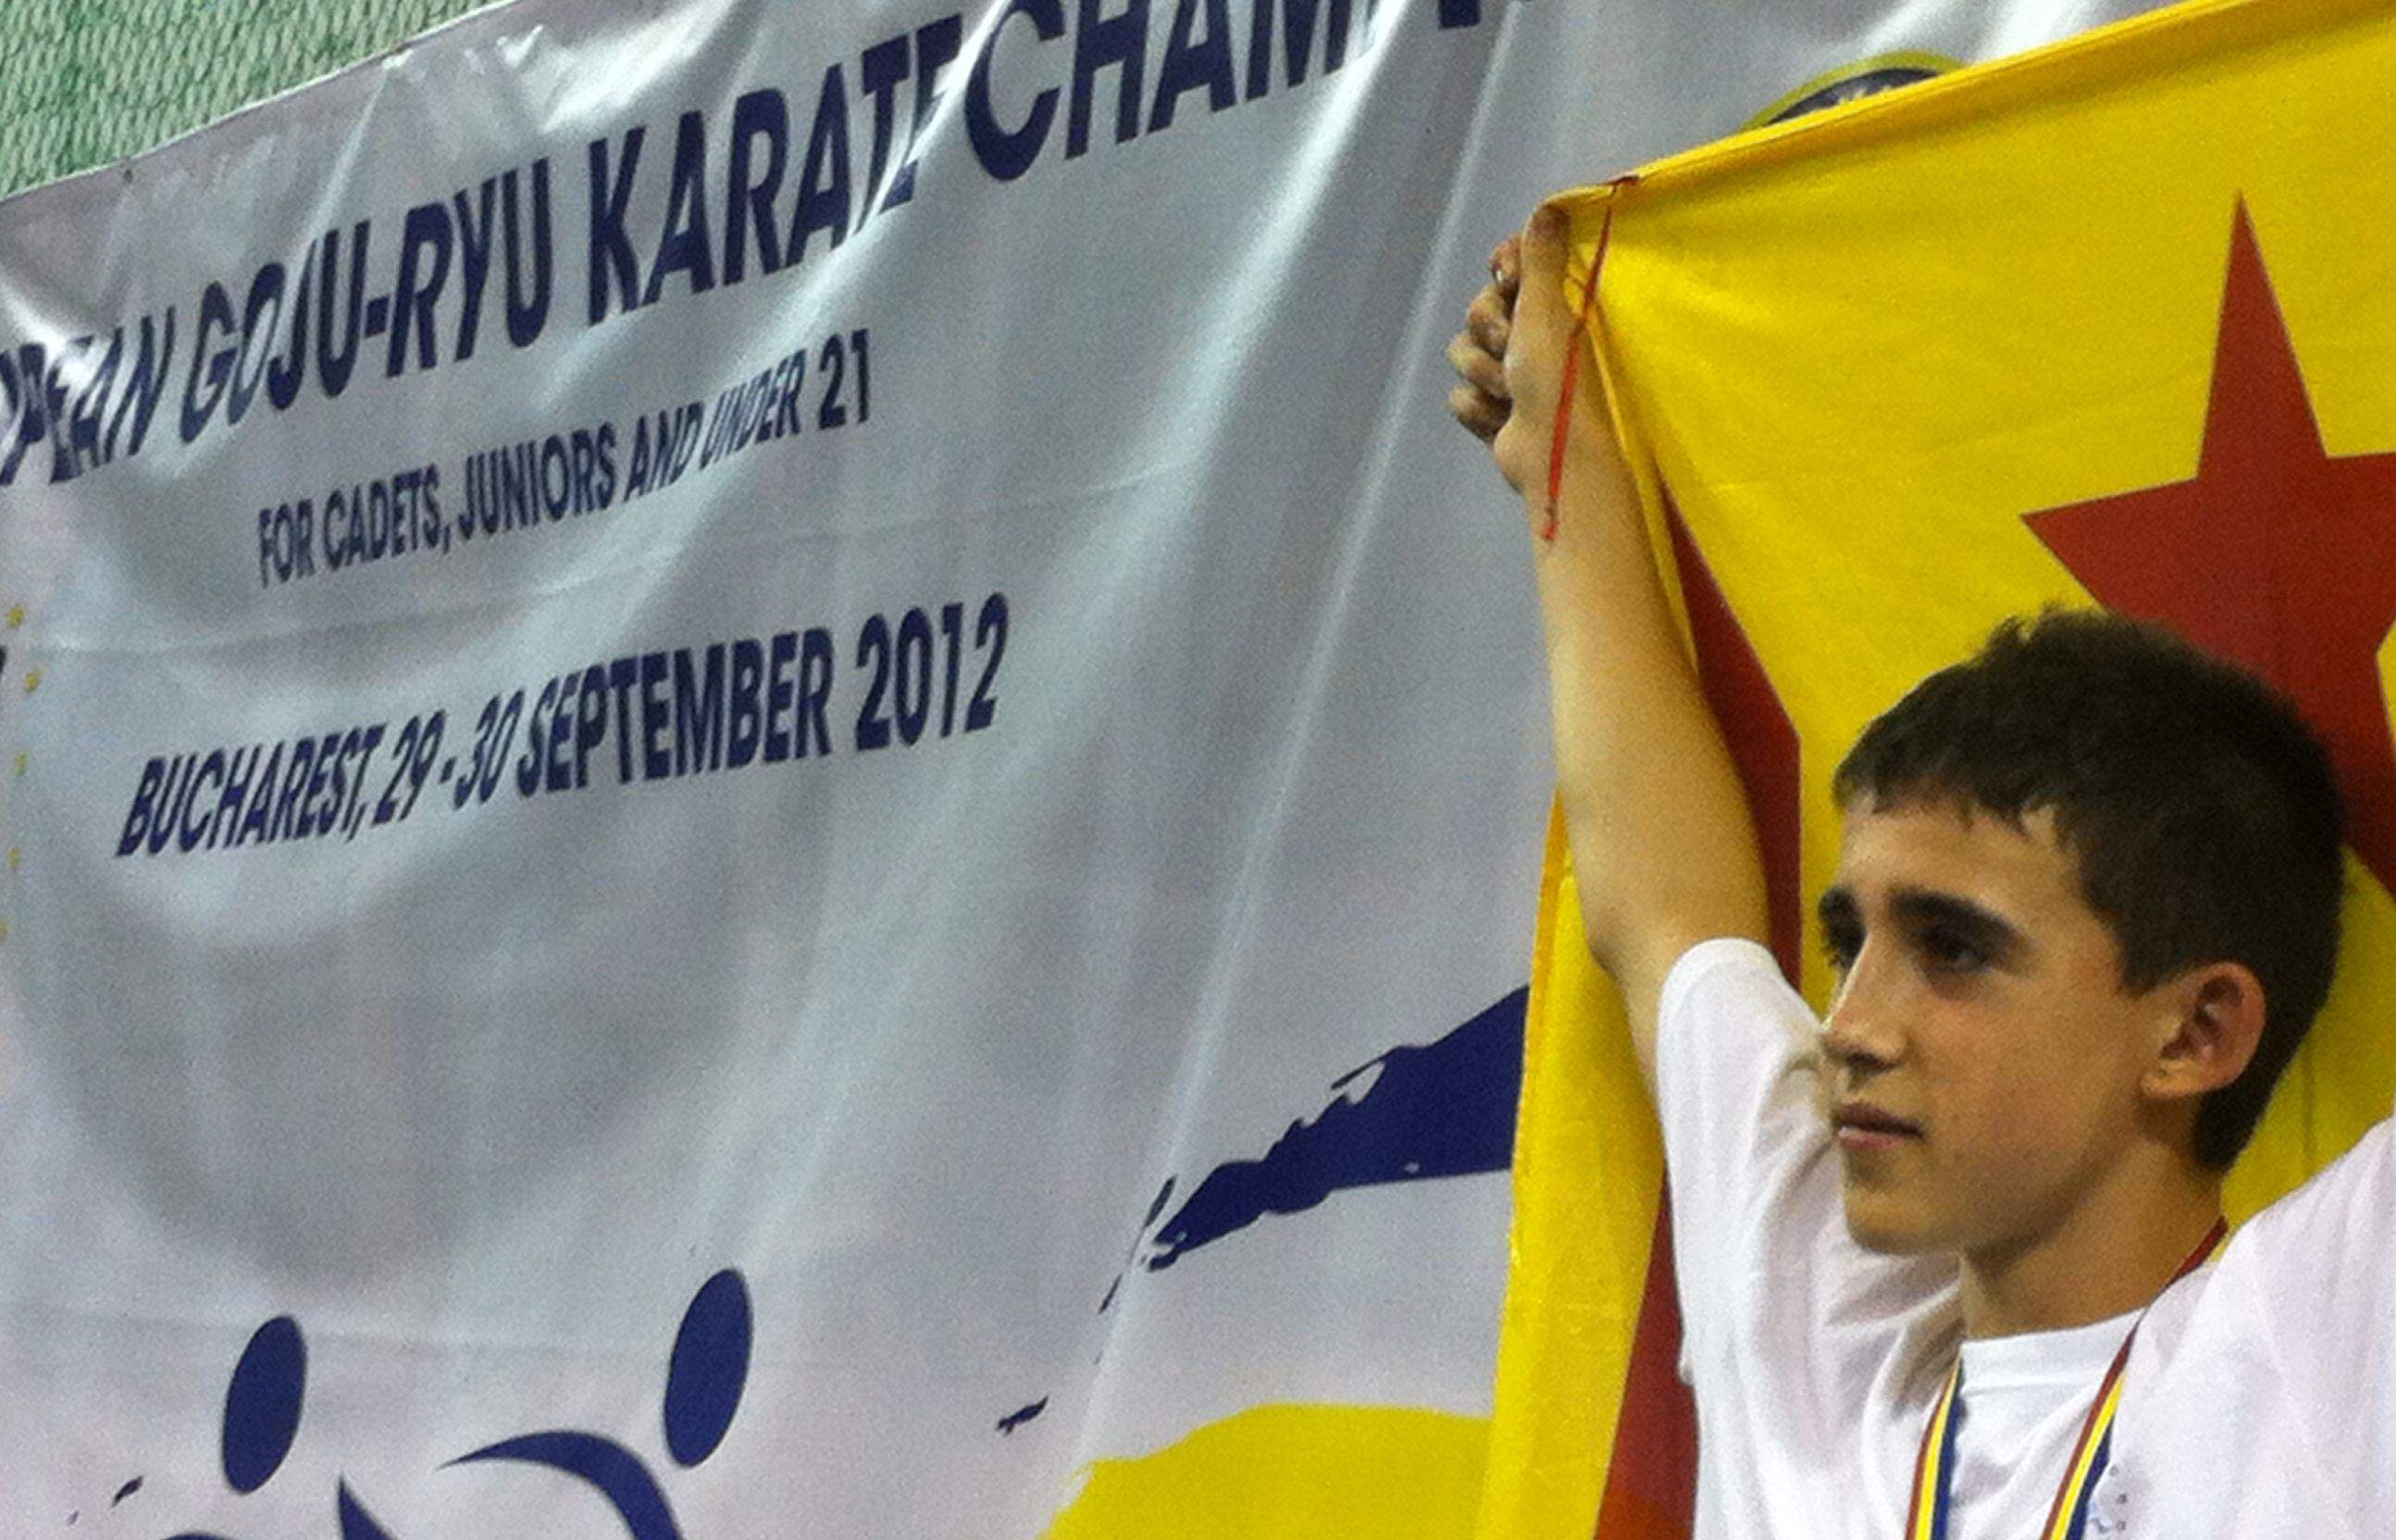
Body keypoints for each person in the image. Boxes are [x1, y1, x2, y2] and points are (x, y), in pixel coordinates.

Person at [1446, 205, 2396, 1537]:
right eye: (1851, 941)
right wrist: (1565, 455)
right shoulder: (1806, 1309)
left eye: (1951, 950)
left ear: (2193, 1029)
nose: (1848, 1028)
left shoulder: (2328, 1332)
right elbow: (1664, 907)